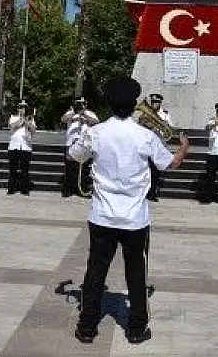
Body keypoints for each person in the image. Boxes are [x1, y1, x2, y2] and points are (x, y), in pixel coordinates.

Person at [68, 77, 191, 345]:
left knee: (95, 271)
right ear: (135, 104)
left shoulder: (97, 132)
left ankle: (87, 327)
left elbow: (74, 155)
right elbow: (170, 165)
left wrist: (84, 132)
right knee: (135, 273)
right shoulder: (145, 135)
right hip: (135, 217)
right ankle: (136, 328)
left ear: (109, 104)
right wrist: (183, 147)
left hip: (102, 215)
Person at [61, 97, 99, 197]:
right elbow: (63, 119)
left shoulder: (89, 113)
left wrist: (84, 115)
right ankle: (68, 189)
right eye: (79, 103)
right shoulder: (71, 112)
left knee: (84, 168)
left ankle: (82, 189)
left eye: (83, 104)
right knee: (69, 167)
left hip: (84, 144)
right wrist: (74, 114)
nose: (81, 105)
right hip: (71, 142)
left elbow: (96, 121)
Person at [145, 93, 171, 201]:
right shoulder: (146, 113)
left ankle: (152, 193)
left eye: (156, 102)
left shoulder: (165, 114)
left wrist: (162, 124)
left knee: (155, 171)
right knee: (145, 171)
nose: (154, 104)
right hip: (146, 145)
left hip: (158, 146)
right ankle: (144, 192)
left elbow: (170, 128)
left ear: (160, 103)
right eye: (153, 102)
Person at [7, 100, 35, 195]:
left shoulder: (30, 118)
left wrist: (28, 122)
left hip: (26, 146)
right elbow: (13, 127)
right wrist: (22, 119)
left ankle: (25, 189)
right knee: (13, 169)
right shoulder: (13, 117)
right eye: (21, 107)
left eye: (24, 107)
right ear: (18, 108)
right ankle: (11, 188)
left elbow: (33, 131)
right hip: (14, 146)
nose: (22, 109)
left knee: (25, 170)